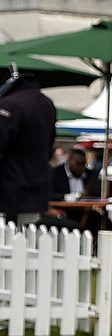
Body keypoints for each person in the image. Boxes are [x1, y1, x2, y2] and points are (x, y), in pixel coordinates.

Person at [0, 72, 58, 225]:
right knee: (27, 239)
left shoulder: (9, 104)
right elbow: (49, 147)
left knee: (9, 241)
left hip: (8, 192)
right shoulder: (47, 104)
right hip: (36, 191)